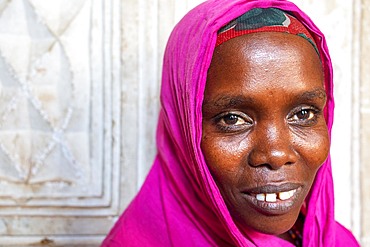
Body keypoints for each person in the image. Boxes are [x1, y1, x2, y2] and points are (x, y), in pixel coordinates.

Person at [102, 0, 360, 246]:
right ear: (183, 127)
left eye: (303, 114)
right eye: (232, 119)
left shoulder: (335, 241)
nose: (277, 154)